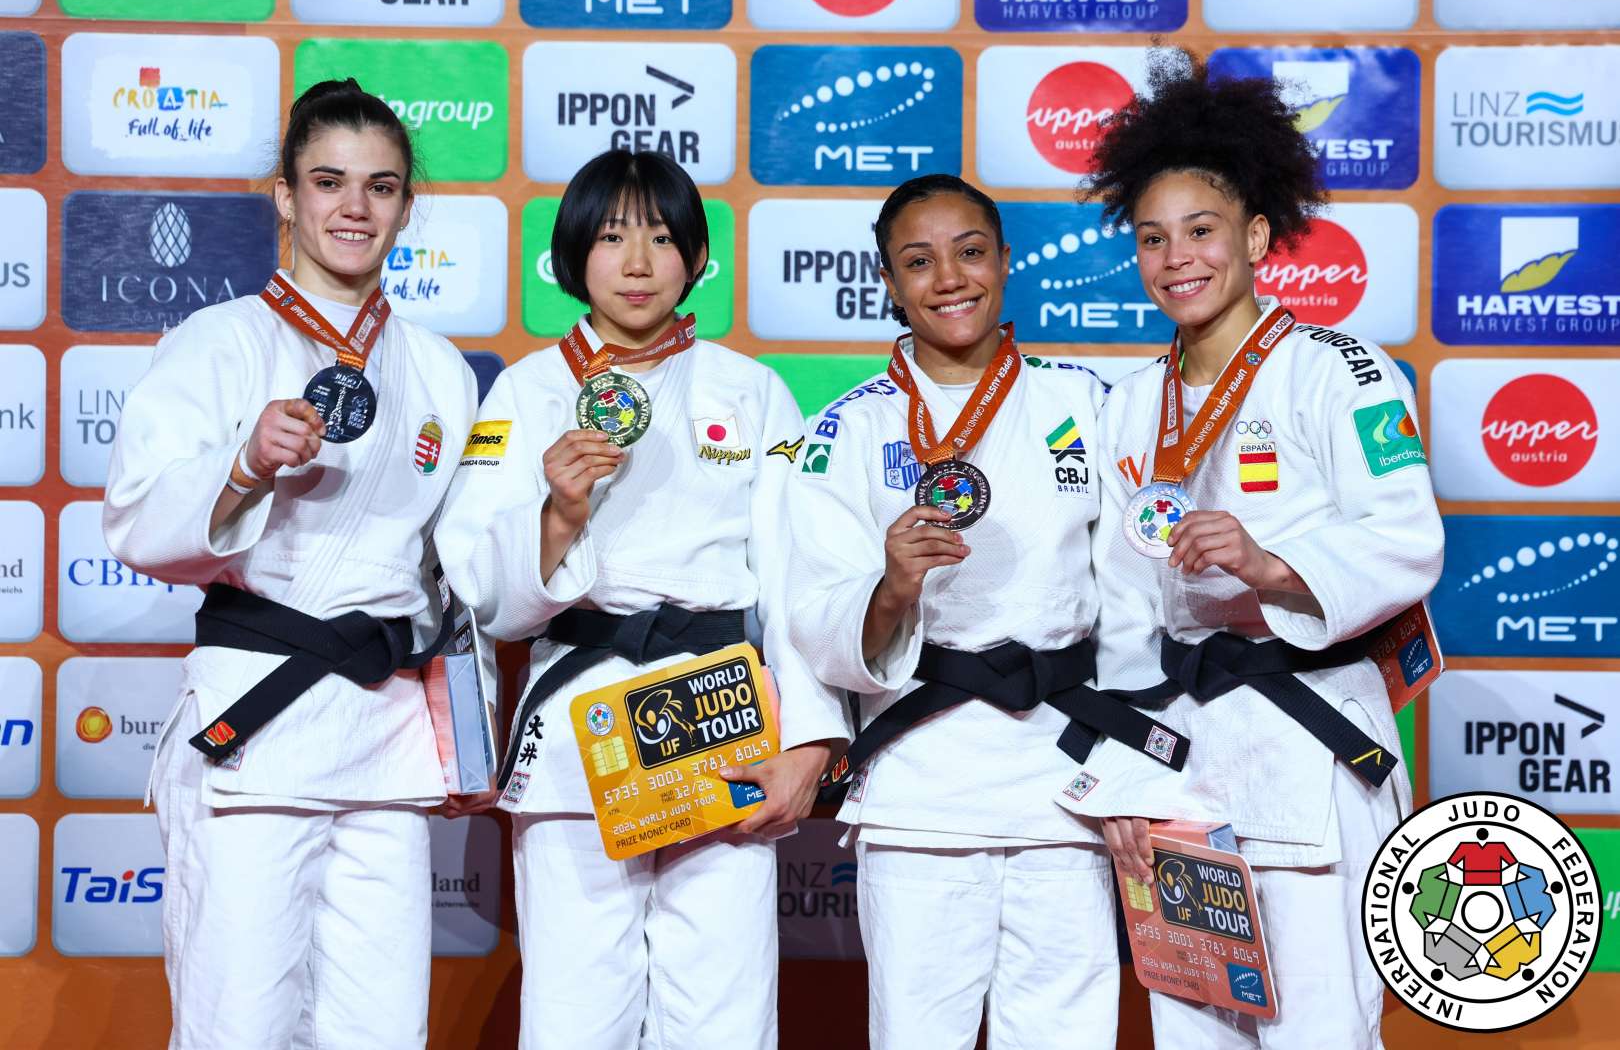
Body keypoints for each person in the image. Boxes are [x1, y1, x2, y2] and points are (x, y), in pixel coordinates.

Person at [433, 149, 849, 1050]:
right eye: (612, 238)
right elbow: (482, 596)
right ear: (572, 254)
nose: (636, 263)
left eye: (662, 239)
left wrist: (813, 740)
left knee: (725, 1020)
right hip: (578, 730)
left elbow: (797, 576)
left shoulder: (751, 390)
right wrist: (557, 515)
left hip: (724, 722)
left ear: (697, 258)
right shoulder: (527, 391)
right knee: (575, 1019)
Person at [1078, 53, 1444, 1047]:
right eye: (1152, 238)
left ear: (1254, 234)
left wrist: (1269, 565)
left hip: (1309, 745)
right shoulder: (1131, 405)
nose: (1177, 258)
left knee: (1322, 1030)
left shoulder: (1338, 373)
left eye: (1201, 230)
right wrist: (1124, 776)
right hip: (1183, 770)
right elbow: (1122, 610)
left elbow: (1408, 540)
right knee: (1191, 1031)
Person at [104, 78, 478, 1048]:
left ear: (406, 205)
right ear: (285, 194)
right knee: (238, 1027)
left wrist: (470, 737)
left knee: (383, 1032)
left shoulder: (440, 370)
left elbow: (453, 577)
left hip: (386, 741)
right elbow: (136, 522)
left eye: (381, 186)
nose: (355, 208)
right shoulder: (220, 342)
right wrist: (244, 465)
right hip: (255, 732)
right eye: (328, 181)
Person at [786, 174, 1184, 1050]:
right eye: (918, 262)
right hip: (921, 788)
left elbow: (1135, 600)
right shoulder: (844, 431)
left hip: (1063, 784)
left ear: (1005, 261)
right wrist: (892, 587)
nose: (949, 279)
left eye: (969, 253)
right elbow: (812, 618)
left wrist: (1128, 771)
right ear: (888, 282)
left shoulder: (1084, 403)